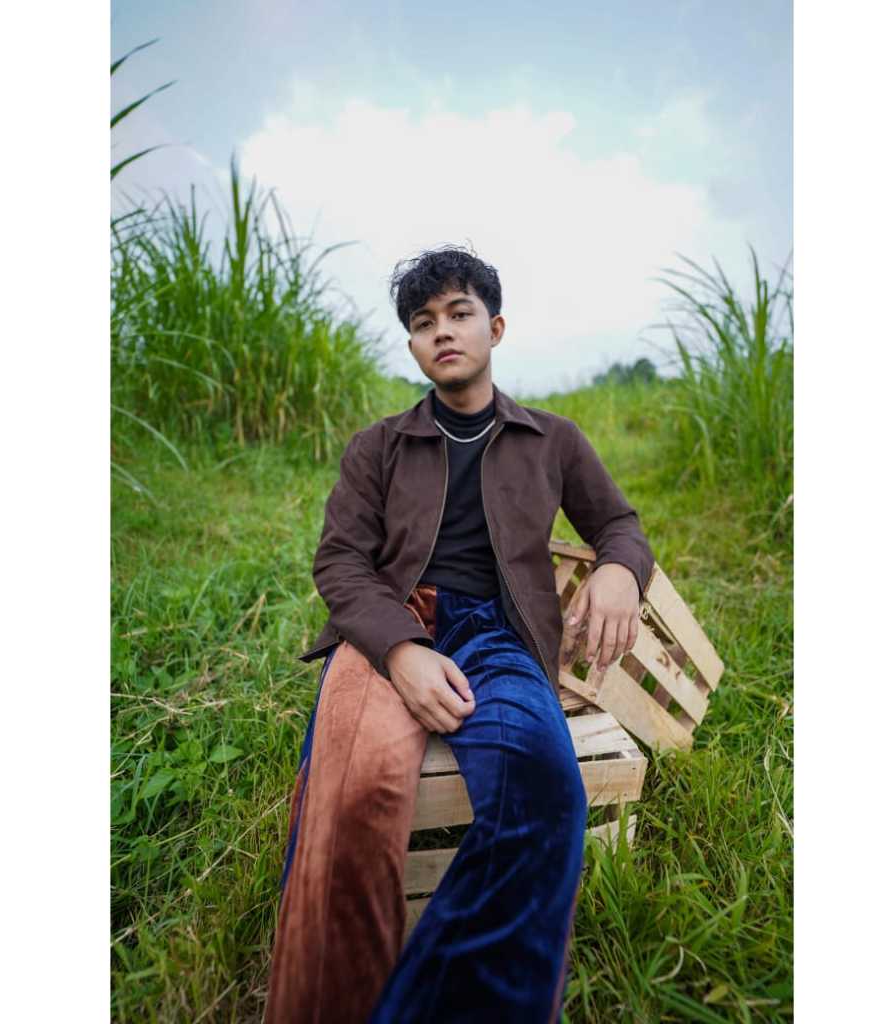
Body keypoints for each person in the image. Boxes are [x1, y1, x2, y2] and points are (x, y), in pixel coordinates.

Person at [263, 246, 655, 1023]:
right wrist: (400, 649)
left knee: (547, 798)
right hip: (388, 624)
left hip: (498, 634)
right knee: (354, 799)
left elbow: (619, 522)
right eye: (422, 321)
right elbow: (340, 561)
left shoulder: (554, 439)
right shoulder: (378, 445)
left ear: (494, 328)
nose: (441, 330)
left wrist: (620, 570)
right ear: (413, 345)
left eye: (459, 312)